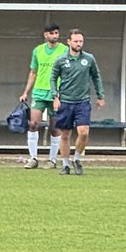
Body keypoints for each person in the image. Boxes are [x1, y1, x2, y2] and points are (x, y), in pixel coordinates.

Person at [50, 29, 106, 176]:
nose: (78, 44)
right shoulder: (61, 60)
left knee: (84, 132)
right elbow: (53, 78)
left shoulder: (89, 59)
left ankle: (77, 158)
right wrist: (55, 96)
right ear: (69, 42)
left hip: (82, 102)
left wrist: (100, 96)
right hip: (66, 102)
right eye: (75, 41)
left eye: (80, 41)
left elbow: (96, 77)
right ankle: (66, 164)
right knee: (65, 135)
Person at [19, 23, 67, 169]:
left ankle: (52, 160)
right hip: (39, 92)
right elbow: (33, 72)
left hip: (56, 94)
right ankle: (33, 158)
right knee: (33, 123)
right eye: (52, 33)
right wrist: (26, 92)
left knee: (54, 127)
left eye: (56, 33)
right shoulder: (38, 51)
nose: (55, 36)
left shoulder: (64, 50)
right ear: (45, 35)